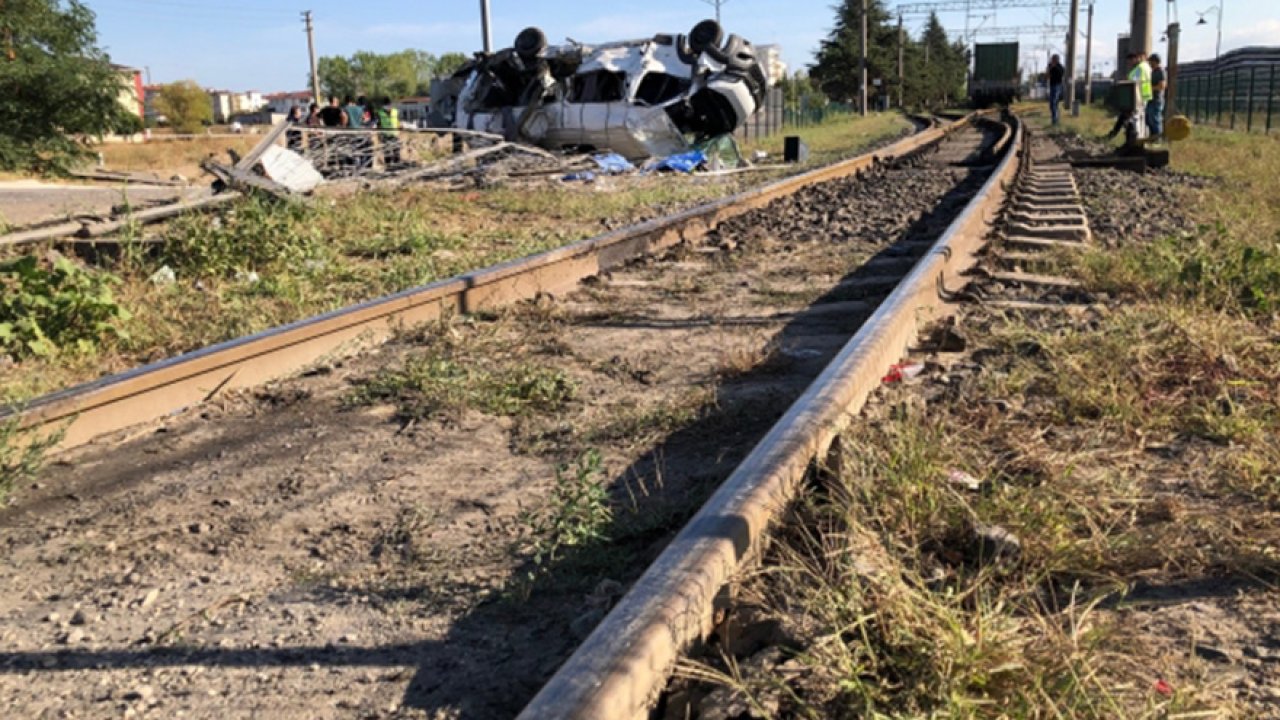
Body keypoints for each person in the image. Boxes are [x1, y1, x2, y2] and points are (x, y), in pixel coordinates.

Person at [376, 96, 401, 167]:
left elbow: (398, 122)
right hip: (386, 136)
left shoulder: (395, 111)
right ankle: (389, 167)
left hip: (394, 135)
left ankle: (396, 167)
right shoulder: (380, 112)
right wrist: (379, 135)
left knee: (396, 153)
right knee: (388, 153)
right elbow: (379, 125)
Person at [1147, 53, 1166, 140]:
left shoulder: (1160, 71)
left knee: (1155, 119)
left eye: (1150, 61)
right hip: (1151, 99)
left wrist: (1150, 88)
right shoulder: (1153, 72)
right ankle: (1153, 137)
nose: (1149, 63)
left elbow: (1162, 86)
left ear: (1155, 61)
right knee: (1149, 119)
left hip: (1157, 99)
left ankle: (1158, 139)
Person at [1047, 54, 1065, 125]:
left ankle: (1055, 120)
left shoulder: (1060, 67)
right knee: (1053, 104)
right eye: (1052, 59)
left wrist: (1055, 67)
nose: (1052, 60)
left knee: (1054, 102)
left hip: (1057, 86)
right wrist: (1050, 68)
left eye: (1054, 59)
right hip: (1051, 85)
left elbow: (1061, 75)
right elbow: (1048, 76)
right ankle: (1055, 119)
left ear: (1057, 60)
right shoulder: (1050, 66)